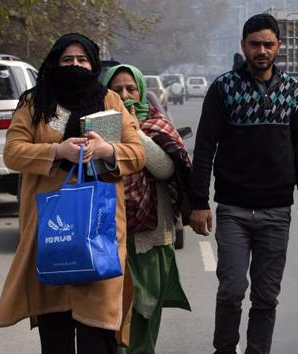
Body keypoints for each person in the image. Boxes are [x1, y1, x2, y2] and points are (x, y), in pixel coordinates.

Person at [0, 33, 145, 354]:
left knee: (98, 333)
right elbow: (13, 152)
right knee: (55, 332)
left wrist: (106, 149)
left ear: (93, 64)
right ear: (54, 62)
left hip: (100, 231)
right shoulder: (36, 103)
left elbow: (136, 153)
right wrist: (56, 150)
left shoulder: (109, 101)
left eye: (81, 60)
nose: (75, 65)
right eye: (67, 60)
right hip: (52, 231)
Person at [189, 14, 298, 354]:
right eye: (255, 44)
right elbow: (204, 147)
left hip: (277, 210)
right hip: (233, 208)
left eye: (268, 44)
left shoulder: (290, 90)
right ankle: (225, 349)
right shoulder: (224, 88)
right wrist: (198, 202)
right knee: (231, 289)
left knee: (266, 296)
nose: (262, 50)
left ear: (279, 47)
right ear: (244, 45)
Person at [102, 64, 192, 354]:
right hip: (110, 237)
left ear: (141, 92)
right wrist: (111, 127)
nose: (125, 95)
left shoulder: (156, 123)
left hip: (151, 239)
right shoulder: (98, 124)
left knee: (145, 313)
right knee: (112, 318)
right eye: (117, 90)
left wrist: (130, 129)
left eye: (131, 89)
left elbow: (165, 168)